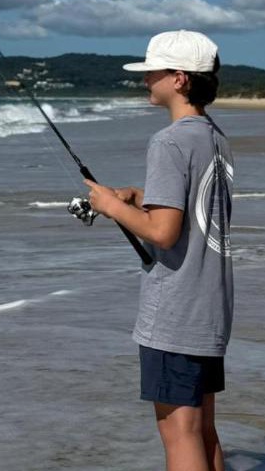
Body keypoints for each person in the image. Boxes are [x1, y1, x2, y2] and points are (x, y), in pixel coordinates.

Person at [84, 29, 234, 471]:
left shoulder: (168, 141)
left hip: (176, 311)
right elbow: (199, 209)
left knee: (178, 432)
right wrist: (141, 195)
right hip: (210, 307)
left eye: (153, 71)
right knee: (202, 429)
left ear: (180, 79)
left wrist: (111, 206)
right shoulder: (213, 137)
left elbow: (163, 233)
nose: (146, 78)